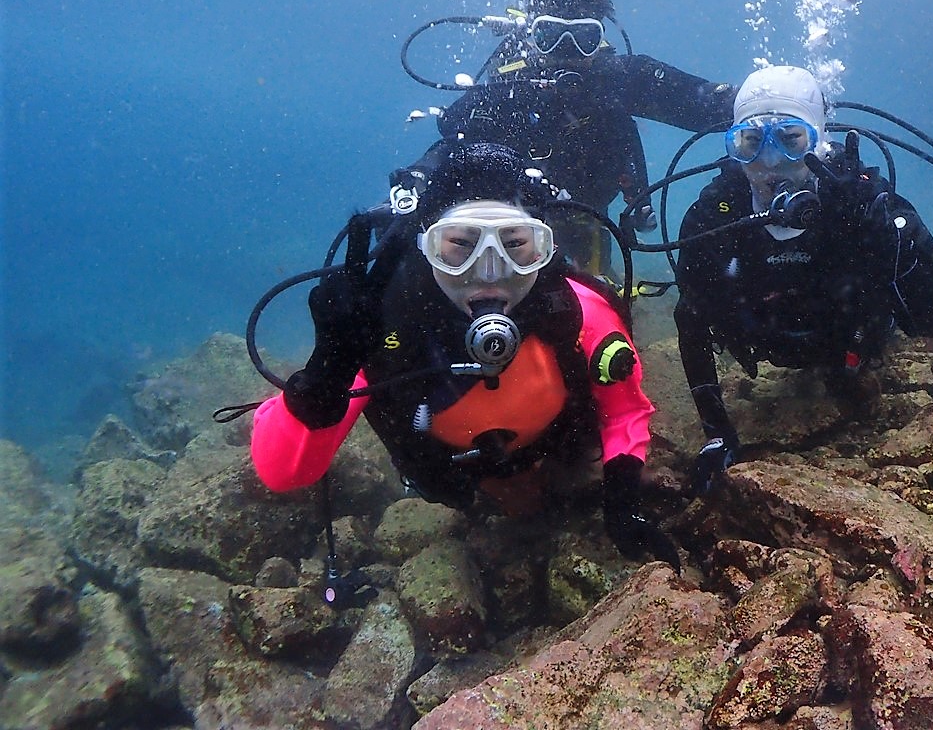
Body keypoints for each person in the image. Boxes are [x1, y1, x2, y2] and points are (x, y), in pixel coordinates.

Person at [249, 142, 678, 569]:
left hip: (555, 453)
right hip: (451, 476)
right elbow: (283, 472)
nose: (490, 272)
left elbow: (624, 410)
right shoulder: (384, 327)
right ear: (426, 246)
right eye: (459, 245)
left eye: (515, 244)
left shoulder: (575, 310)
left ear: (542, 249)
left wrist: (622, 501)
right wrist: (329, 369)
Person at [672, 66, 933, 494]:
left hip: (856, 345)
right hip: (767, 345)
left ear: (819, 139)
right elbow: (690, 318)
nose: (769, 161)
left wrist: (893, 240)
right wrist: (717, 431)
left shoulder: (862, 201)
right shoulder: (715, 216)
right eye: (751, 142)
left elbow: (930, 320)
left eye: (790, 139)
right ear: (734, 147)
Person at [426, 0, 735, 270]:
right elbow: (451, 135)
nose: (566, 51)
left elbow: (711, 105)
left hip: (587, 222)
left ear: (599, 39)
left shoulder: (620, 79)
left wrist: (769, 102)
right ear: (531, 37)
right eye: (550, 35)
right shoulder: (506, 89)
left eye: (584, 37)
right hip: (507, 231)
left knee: (593, 299)